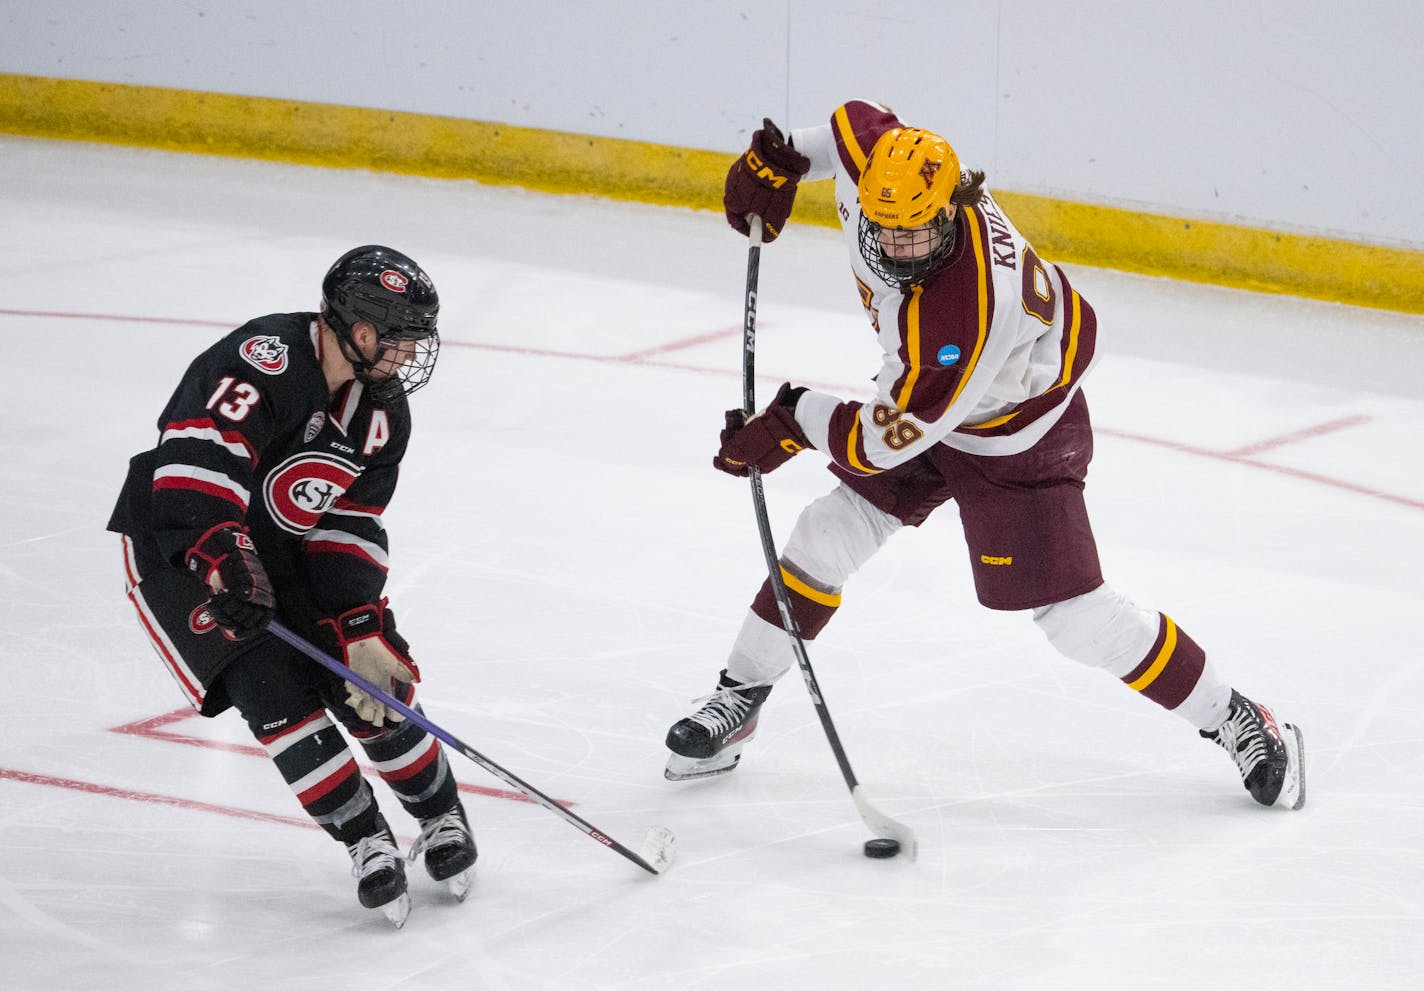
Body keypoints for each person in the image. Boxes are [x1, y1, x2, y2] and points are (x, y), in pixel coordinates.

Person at [663, 101, 1306, 813]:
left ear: (951, 208)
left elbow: (882, 442)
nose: (898, 248)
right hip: (922, 399)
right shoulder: (887, 167)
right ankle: (739, 694)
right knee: (825, 533)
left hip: (1016, 431)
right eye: (886, 231)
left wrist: (790, 419)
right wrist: (782, 162)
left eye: (917, 234)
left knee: (1075, 618)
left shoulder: (963, 315)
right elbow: (845, 127)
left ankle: (1236, 714)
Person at [109, 245, 477, 927]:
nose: (410, 355)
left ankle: (441, 813)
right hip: (179, 547)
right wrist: (222, 555)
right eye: (401, 338)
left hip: (281, 550)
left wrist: (360, 625)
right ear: (360, 330)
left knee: (369, 681)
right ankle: (365, 835)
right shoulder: (264, 358)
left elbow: (349, 523)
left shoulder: (381, 416)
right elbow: (196, 457)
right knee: (270, 687)